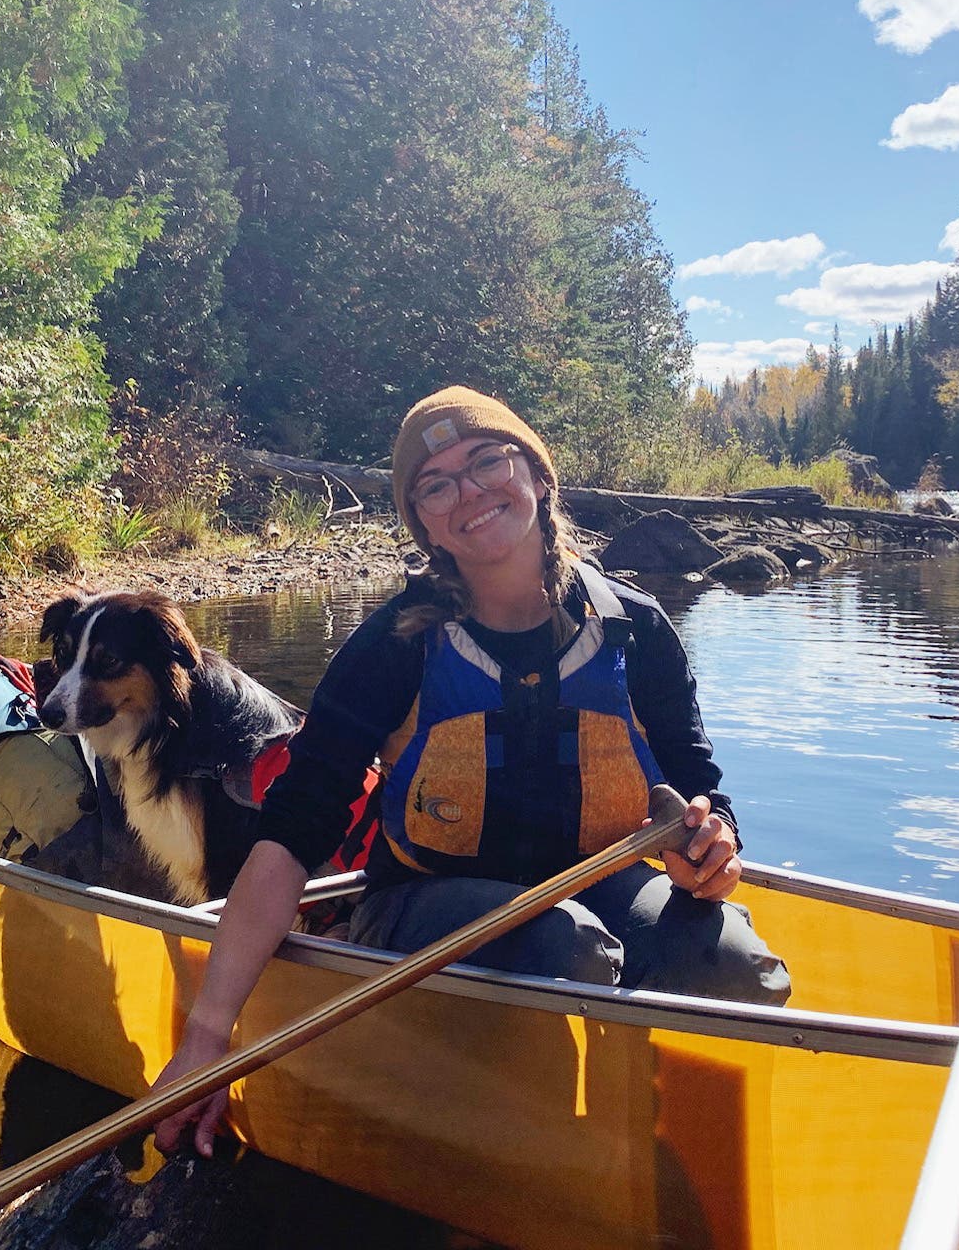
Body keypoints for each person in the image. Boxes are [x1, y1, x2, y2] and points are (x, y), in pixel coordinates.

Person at [152, 386, 790, 1156]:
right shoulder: (393, 644)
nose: (469, 492)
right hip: (421, 901)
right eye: (435, 484)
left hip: (600, 875)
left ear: (537, 475)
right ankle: (541, 1160)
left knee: (729, 966)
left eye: (488, 461)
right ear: (421, 521)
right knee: (566, 949)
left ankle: (681, 1158)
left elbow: (696, 784)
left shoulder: (636, 627)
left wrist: (712, 849)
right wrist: (206, 1038)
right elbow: (288, 839)